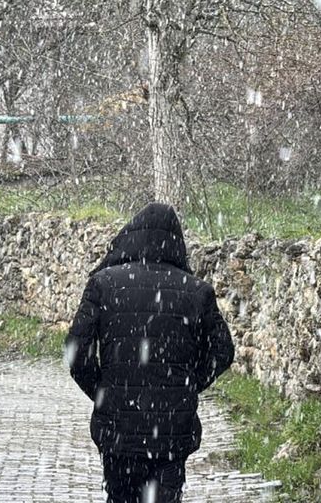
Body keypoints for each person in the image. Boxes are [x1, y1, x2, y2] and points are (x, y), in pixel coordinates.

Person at [65, 203, 234, 503]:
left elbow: (77, 353)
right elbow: (222, 351)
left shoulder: (104, 284)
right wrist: (188, 384)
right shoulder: (196, 291)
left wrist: (104, 390)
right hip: (171, 430)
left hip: (119, 429)